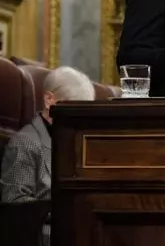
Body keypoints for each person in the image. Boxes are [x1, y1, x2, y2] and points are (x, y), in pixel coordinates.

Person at [0, 66, 95, 246]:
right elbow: (14, 206)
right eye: (73, 108)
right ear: (49, 99)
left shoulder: (76, 141)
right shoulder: (25, 143)